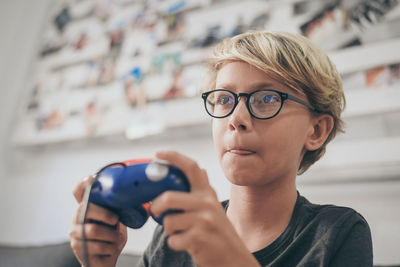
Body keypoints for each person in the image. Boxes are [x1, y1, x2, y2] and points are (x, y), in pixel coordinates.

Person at [70, 31, 373, 267]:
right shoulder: (173, 234)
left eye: (267, 99)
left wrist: (226, 255)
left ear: (316, 130)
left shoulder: (337, 233)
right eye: (225, 99)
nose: (236, 119)